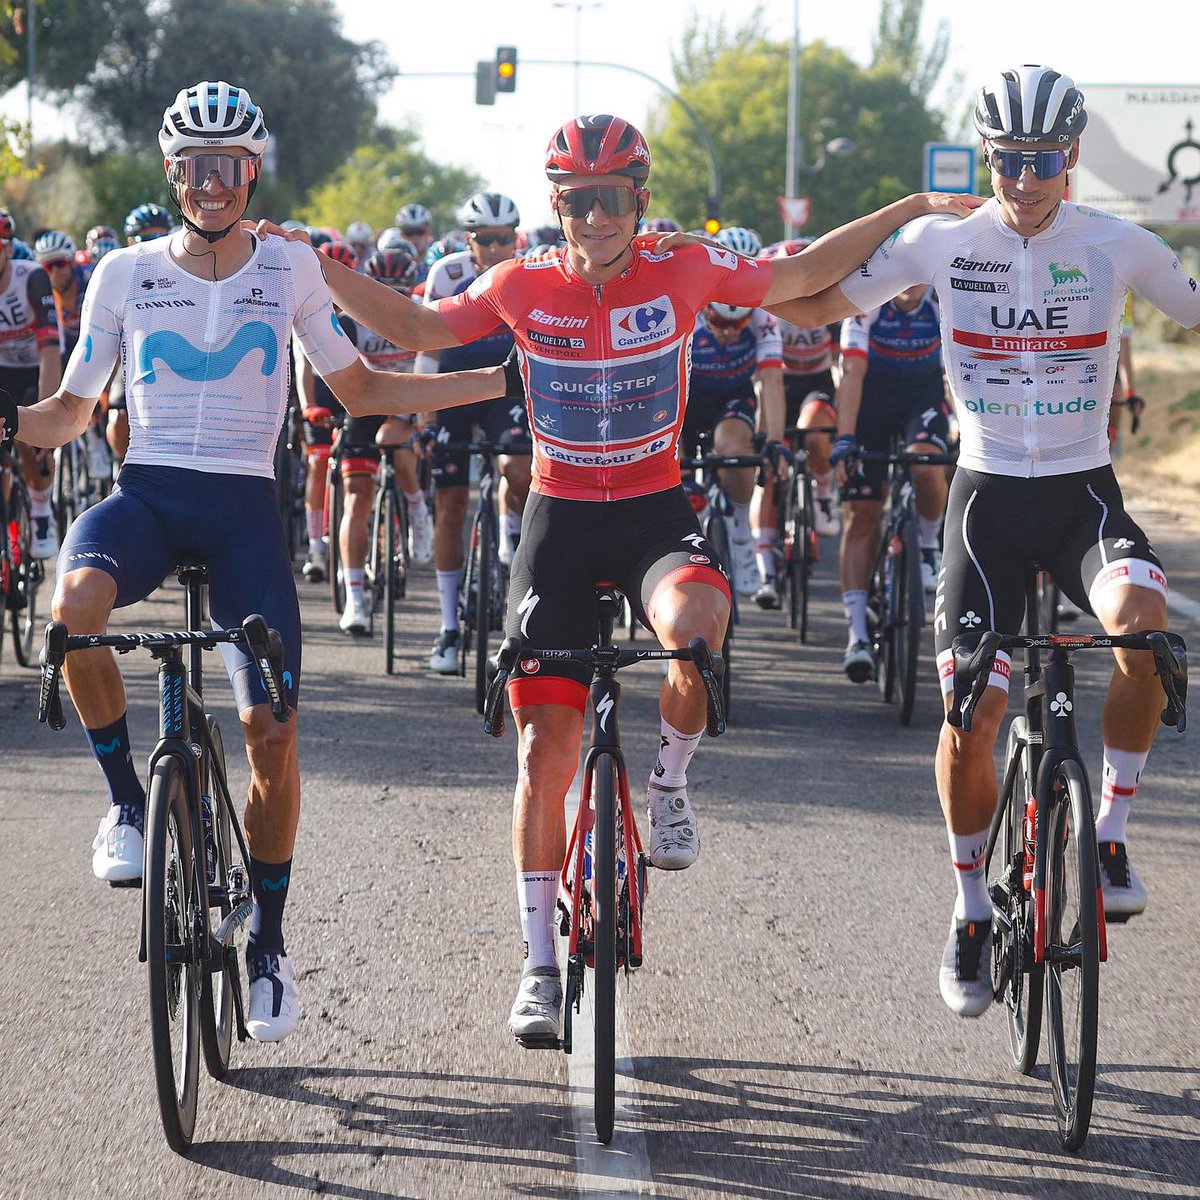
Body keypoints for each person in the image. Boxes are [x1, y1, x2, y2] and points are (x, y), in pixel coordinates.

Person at [282, 113, 976, 1043]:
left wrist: (913, 205)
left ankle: (670, 784)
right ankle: (535, 966)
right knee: (542, 754)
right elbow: (412, 324)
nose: (593, 215)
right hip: (560, 517)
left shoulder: (683, 269)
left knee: (694, 631)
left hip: (653, 510)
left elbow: (807, 276)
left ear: (639, 200)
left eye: (610, 197)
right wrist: (315, 263)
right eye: (574, 199)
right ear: (556, 205)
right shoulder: (519, 283)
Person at [0, 80, 510, 1043]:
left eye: (228, 167)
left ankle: (269, 945)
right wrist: (8, 422)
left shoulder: (287, 271)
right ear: (172, 171)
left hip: (243, 513)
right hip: (147, 496)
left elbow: (355, 385)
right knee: (72, 612)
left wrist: (489, 378)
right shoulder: (120, 271)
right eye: (194, 167)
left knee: (270, 730)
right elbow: (71, 412)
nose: (211, 185)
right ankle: (125, 805)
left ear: (252, 171)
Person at [769, 65, 1200, 1018]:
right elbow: (804, 302)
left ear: (1073, 157)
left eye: (1042, 160)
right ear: (989, 155)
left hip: (1084, 491)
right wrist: (899, 209)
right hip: (987, 500)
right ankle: (969, 911)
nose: (1023, 178)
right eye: (1007, 160)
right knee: (972, 709)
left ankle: (1112, 836)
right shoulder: (940, 242)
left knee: (1146, 631)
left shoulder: (1119, 245)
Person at [412, 191, 531, 674]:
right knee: (451, 504)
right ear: (470, 239)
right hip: (455, 388)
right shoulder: (448, 274)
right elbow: (423, 340)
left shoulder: (528, 273)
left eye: (507, 238)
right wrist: (424, 418)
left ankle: (510, 539)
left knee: (519, 470)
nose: (499, 248)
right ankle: (448, 627)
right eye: (488, 239)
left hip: (507, 387)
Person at [831, 284, 950, 681]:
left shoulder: (943, 298)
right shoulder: (867, 303)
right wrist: (846, 438)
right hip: (871, 401)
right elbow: (851, 372)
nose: (909, 283)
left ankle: (929, 545)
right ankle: (857, 634)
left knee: (927, 465)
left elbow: (960, 368)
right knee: (861, 517)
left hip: (923, 399)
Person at [335, 245, 433, 635]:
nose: (390, 297)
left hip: (410, 395)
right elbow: (324, 372)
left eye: (400, 290)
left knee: (397, 443)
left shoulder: (424, 319)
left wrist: (423, 418)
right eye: (383, 288)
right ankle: (355, 596)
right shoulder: (350, 322)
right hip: (365, 400)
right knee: (357, 499)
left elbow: (435, 366)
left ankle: (417, 510)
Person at [682, 300, 785, 600]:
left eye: (738, 324)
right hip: (686, 398)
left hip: (733, 398)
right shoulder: (688, 314)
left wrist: (774, 443)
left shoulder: (763, 319)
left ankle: (741, 535)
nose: (728, 332)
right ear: (705, 313)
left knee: (735, 449)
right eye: (719, 322)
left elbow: (771, 380)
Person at [0, 208, 63, 558]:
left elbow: (50, 353)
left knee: (27, 433)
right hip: (2, 367)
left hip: (36, 367)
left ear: (7, 249)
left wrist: (45, 418)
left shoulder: (32, 277)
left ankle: (40, 508)